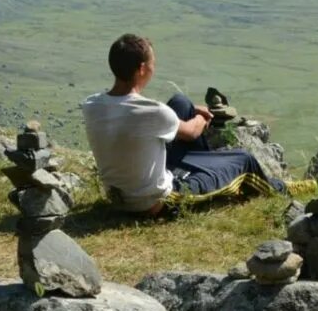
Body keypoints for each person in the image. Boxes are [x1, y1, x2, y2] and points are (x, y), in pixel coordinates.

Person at [81, 33, 283, 214]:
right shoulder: (154, 113)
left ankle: (203, 166)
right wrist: (203, 116)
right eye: (153, 63)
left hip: (118, 197)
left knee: (181, 102)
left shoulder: (91, 105)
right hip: (155, 202)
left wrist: (192, 108)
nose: (154, 68)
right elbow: (193, 132)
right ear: (142, 69)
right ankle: (280, 190)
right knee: (244, 159)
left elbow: (135, 111)